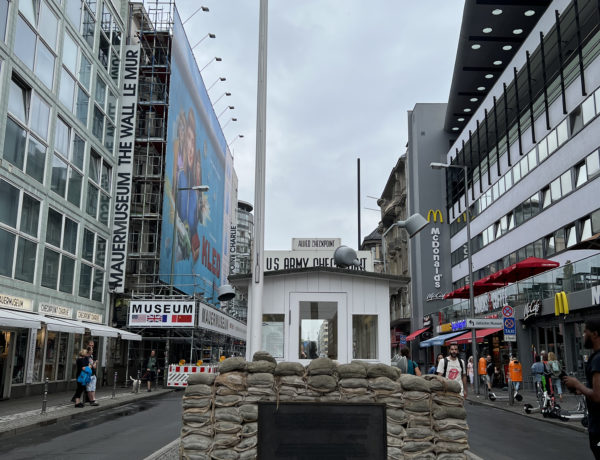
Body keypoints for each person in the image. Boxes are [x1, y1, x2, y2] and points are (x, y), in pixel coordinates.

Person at [563, 320, 600, 459]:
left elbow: (597, 396)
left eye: (586, 332)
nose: (583, 335)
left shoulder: (597, 359)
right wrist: (582, 389)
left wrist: (578, 384)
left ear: (595, 334)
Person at [86, 340, 99, 406]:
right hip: (88, 374)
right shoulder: (86, 356)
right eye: (90, 346)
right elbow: (91, 366)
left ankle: (93, 399)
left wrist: (94, 364)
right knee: (89, 388)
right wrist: (95, 363)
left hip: (93, 374)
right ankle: (91, 401)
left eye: (92, 346)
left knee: (93, 387)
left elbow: (94, 367)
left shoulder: (92, 356)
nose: (92, 348)